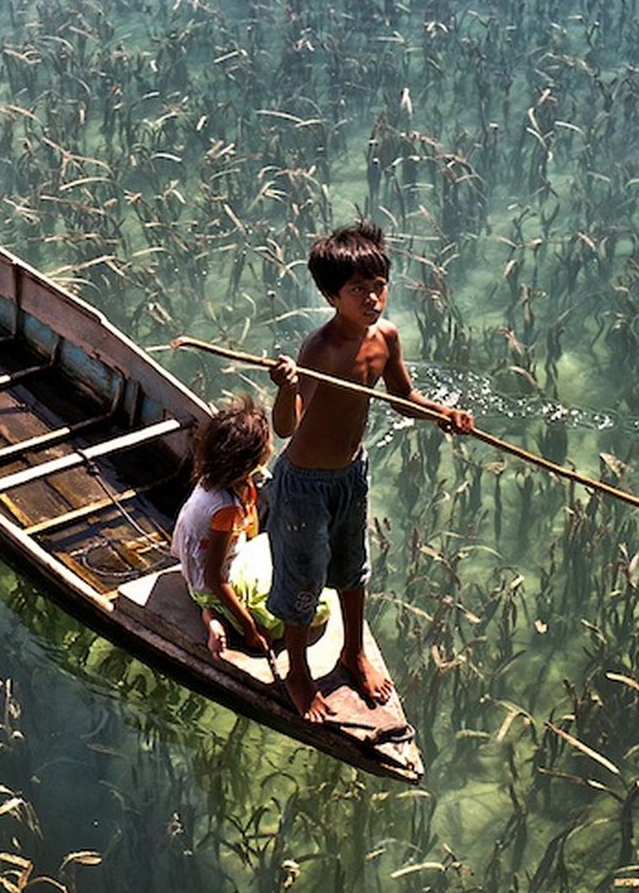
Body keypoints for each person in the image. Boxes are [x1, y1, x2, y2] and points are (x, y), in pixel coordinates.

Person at [266, 220, 474, 723]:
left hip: (350, 476)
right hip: (304, 485)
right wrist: (286, 387)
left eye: (379, 285)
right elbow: (285, 429)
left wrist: (444, 414)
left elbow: (403, 399)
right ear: (330, 295)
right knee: (302, 580)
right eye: (358, 289)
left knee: (353, 568)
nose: (373, 298)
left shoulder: (386, 338)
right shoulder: (319, 351)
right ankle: (298, 672)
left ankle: (353, 652)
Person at [172, 397, 285, 660]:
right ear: (250, 460)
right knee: (284, 618)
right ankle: (213, 613)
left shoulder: (218, 476)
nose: (271, 446)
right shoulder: (225, 509)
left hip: (199, 568)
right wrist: (250, 629)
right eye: (266, 443)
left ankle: (212, 612)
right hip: (207, 585)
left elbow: (252, 528)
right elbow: (214, 577)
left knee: (273, 553)